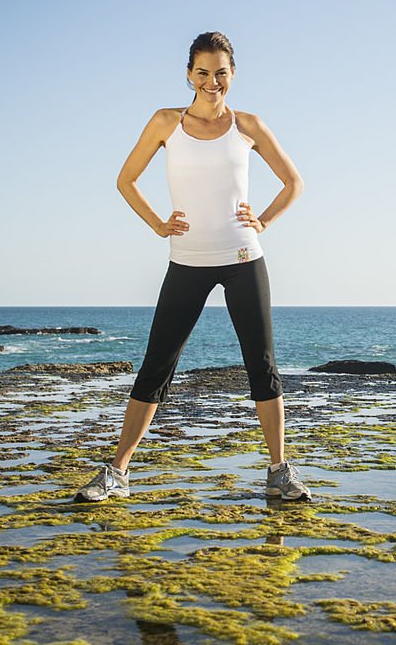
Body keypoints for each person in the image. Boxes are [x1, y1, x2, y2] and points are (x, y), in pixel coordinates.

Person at [76, 31, 310, 502]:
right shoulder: (165, 122)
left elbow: (293, 182)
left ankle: (279, 472)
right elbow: (126, 179)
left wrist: (262, 220)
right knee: (157, 365)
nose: (211, 81)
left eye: (220, 73)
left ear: (232, 74)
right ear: (188, 74)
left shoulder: (249, 125)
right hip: (187, 261)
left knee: (261, 364)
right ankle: (117, 473)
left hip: (244, 258)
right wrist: (158, 224)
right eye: (202, 72)